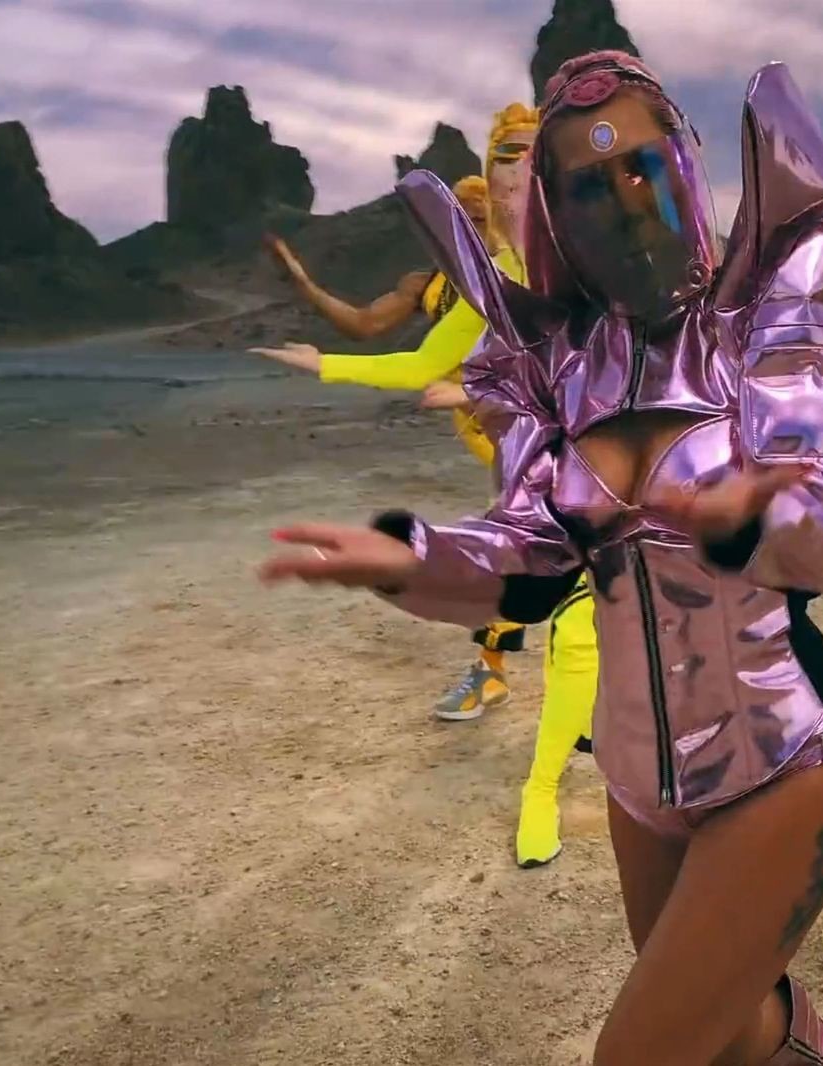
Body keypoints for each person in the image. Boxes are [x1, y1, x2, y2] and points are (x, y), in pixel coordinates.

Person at [258, 52, 823, 1063]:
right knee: (731, 1038)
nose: (623, 198)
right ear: (556, 212)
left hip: (781, 759)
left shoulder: (767, 316)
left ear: (683, 164)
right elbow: (531, 556)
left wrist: (746, 527)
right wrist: (411, 556)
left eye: (640, 165)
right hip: (636, 783)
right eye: (588, 183)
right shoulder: (552, 362)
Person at [252, 107, 598, 870]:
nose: (518, 177)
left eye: (537, 159)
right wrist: (324, 364)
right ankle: (540, 783)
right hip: (534, 478)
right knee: (566, 616)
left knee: (595, 626)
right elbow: (413, 361)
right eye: (506, 159)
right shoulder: (485, 287)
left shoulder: (603, 264)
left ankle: (579, 743)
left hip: (617, 469)